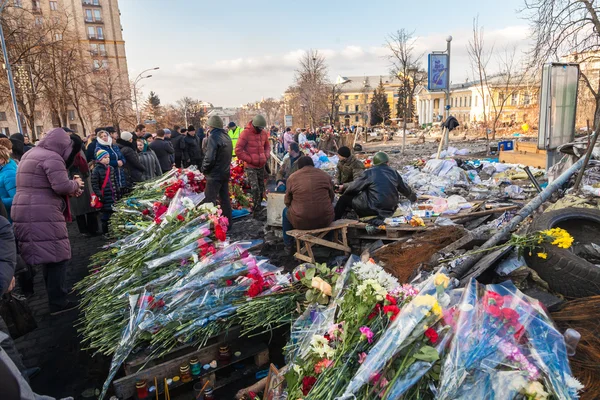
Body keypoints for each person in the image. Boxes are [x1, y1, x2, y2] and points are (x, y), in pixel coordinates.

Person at [11, 128, 84, 315]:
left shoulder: (31, 153)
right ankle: (58, 302)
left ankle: (56, 297)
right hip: (42, 211)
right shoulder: (52, 157)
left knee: (48, 256)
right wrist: (76, 184)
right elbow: (61, 185)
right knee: (58, 256)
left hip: (26, 208)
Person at [334, 151, 417, 220]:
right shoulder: (393, 172)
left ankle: (334, 220)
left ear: (375, 163)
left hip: (373, 208)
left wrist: (343, 191)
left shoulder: (370, 172)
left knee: (344, 199)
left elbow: (354, 187)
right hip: (390, 209)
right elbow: (405, 189)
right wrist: (414, 198)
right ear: (387, 162)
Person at [282, 156, 334, 251]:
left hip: (301, 222)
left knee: (285, 212)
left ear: (299, 166)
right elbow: (331, 197)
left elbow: (287, 201)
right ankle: (328, 239)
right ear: (312, 164)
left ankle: (288, 245)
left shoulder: (292, 177)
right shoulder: (325, 175)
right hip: (324, 220)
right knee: (330, 208)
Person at [64, 131, 98, 236]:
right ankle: (84, 230)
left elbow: (85, 165)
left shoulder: (80, 151)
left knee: (90, 206)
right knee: (79, 209)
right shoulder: (67, 154)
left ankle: (93, 229)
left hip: (85, 181)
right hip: (75, 181)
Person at [235, 115, 270, 217]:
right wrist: (250, 159)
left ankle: (259, 207)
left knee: (261, 187)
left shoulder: (263, 134)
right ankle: (256, 211)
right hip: (251, 166)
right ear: (255, 126)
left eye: (262, 128)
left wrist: (266, 155)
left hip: (261, 165)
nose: (261, 130)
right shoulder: (245, 133)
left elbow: (267, 146)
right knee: (255, 188)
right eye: (259, 128)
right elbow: (238, 150)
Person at [201, 116, 233, 225]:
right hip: (224, 172)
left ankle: (210, 226)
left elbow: (209, 157)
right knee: (224, 199)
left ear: (211, 126)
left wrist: (204, 169)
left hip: (214, 174)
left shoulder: (213, 137)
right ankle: (227, 224)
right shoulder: (226, 136)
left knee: (209, 200)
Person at [91, 150, 120, 235]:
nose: (107, 159)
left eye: (108, 158)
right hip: (104, 196)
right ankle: (106, 231)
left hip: (113, 195)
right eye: (105, 158)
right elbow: (95, 185)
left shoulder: (110, 168)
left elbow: (115, 180)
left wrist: (117, 190)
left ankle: (114, 230)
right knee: (106, 215)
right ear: (99, 159)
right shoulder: (96, 170)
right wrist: (100, 195)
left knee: (114, 212)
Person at [0, 145, 17, 221]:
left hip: (9, 219)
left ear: (1, 160)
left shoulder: (9, 174)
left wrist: (1, 202)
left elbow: (17, 199)